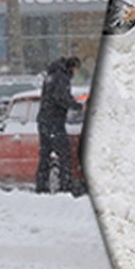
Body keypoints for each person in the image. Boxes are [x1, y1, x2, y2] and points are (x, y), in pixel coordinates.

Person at [36, 56, 84, 193]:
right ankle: (65, 188)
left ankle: (41, 188)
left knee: (45, 156)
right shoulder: (61, 77)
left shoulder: (52, 75)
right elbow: (61, 97)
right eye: (76, 70)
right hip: (54, 122)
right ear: (73, 67)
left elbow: (55, 96)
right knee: (65, 155)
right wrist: (78, 106)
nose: (75, 73)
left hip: (44, 120)